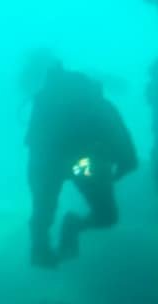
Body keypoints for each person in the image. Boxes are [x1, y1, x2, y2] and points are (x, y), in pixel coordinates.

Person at [25, 65, 138, 268]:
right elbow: (120, 137)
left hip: (48, 163)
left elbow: (34, 148)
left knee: (43, 211)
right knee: (106, 216)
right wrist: (125, 162)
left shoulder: (45, 104)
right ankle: (73, 226)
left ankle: (41, 251)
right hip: (81, 164)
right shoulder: (96, 104)